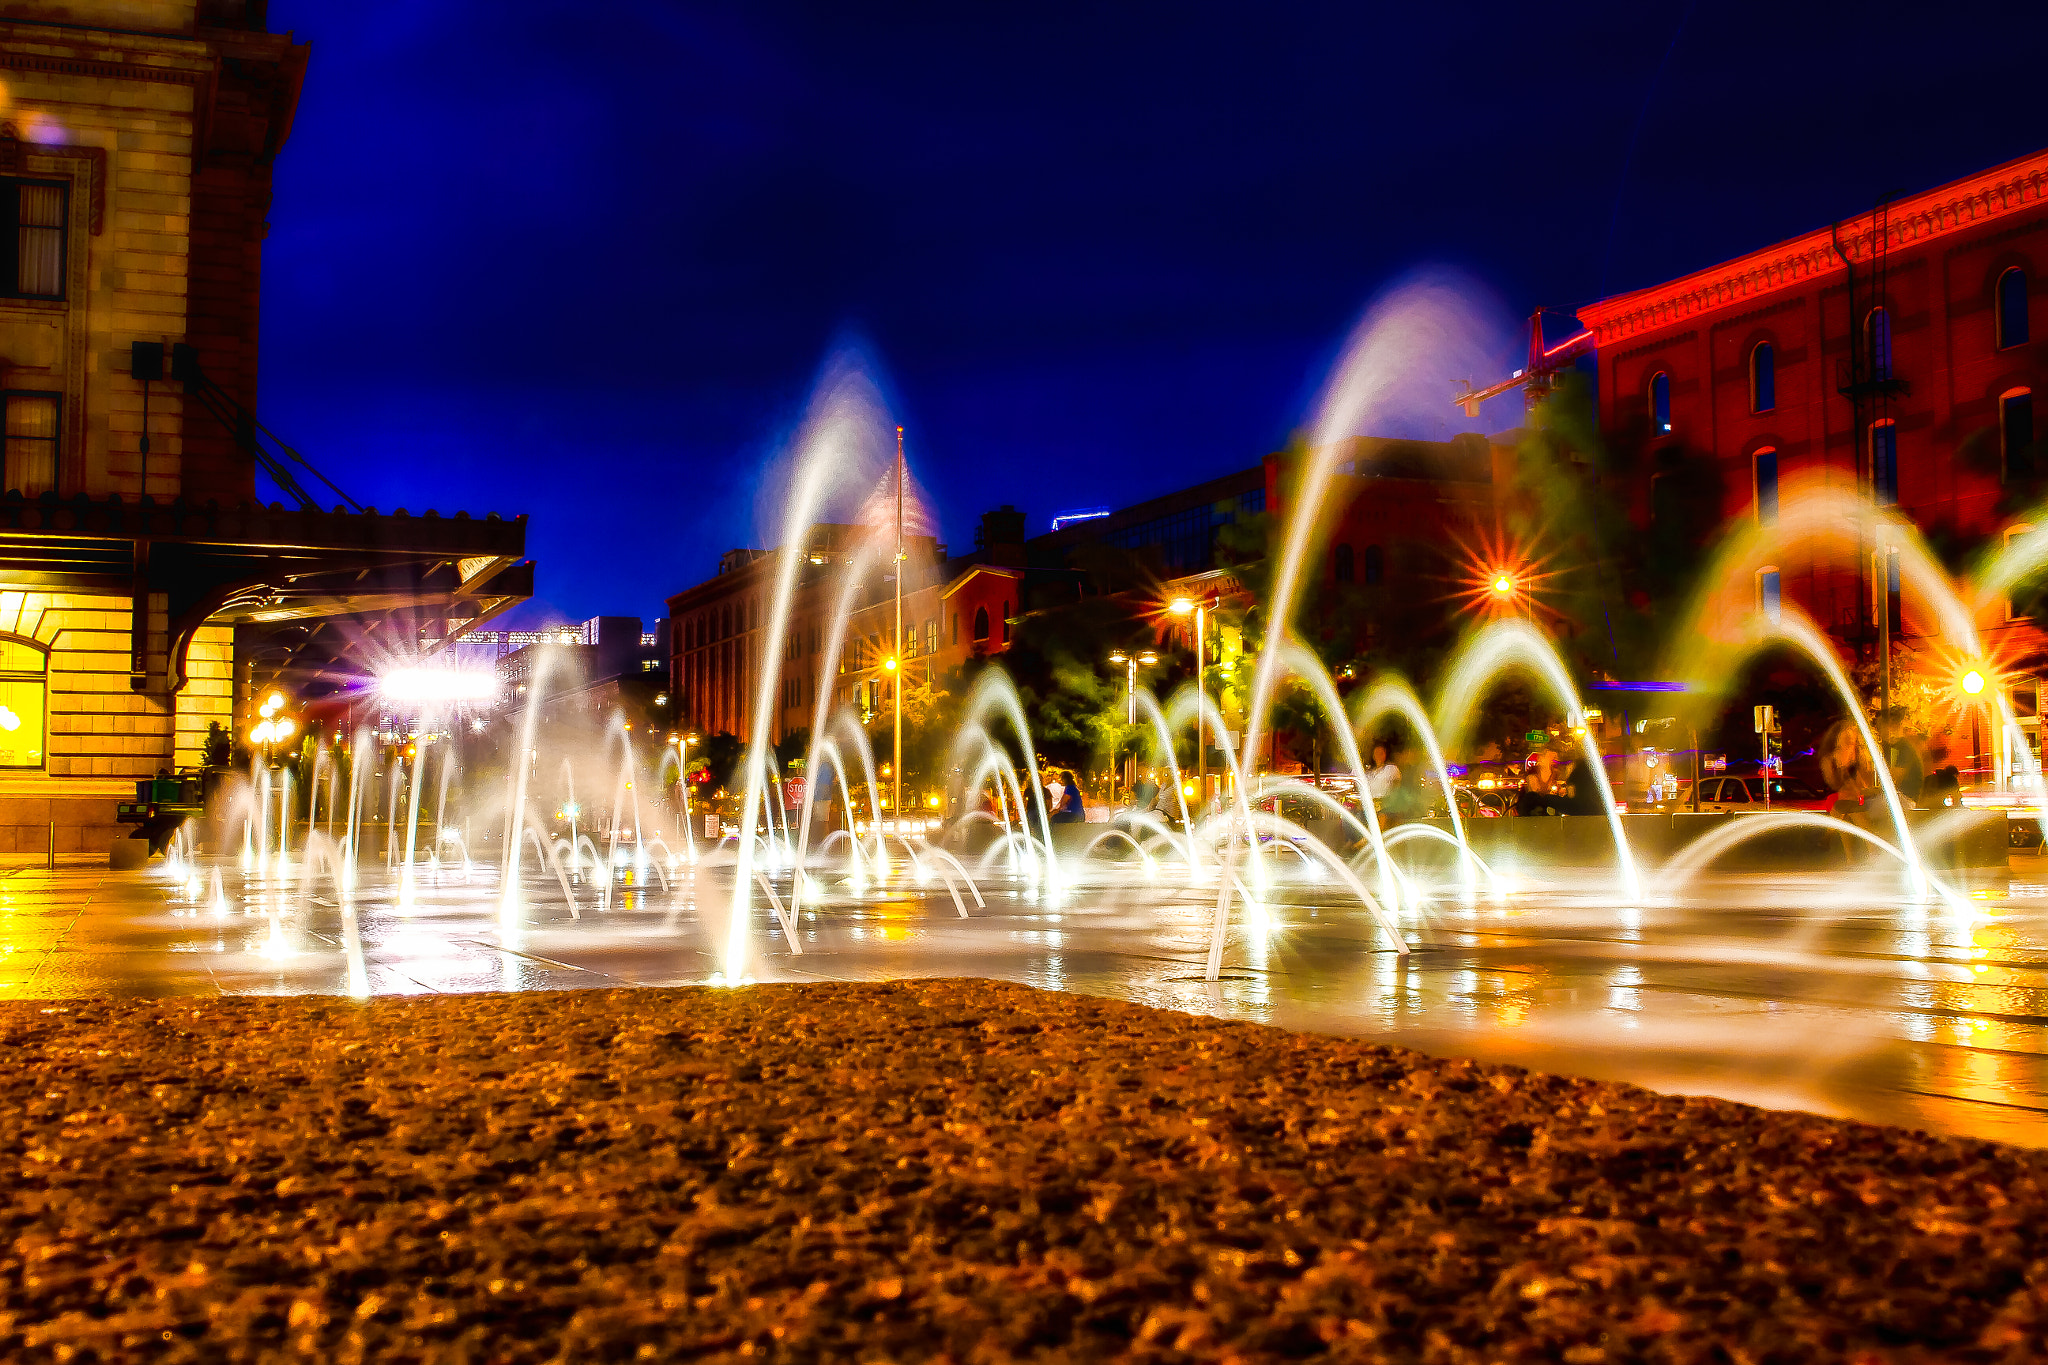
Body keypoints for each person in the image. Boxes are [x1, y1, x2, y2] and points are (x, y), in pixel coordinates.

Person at [1881, 710, 1925, 805]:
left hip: (1906, 800)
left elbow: (1895, 778)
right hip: (1898, 798)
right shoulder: (1891, 747)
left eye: (1882, 725)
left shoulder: (1905, 748)